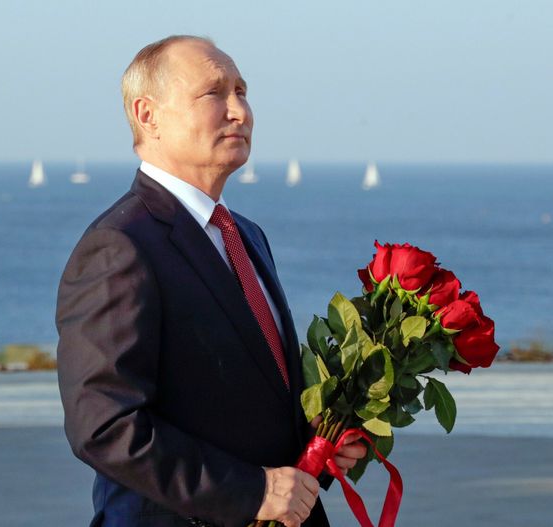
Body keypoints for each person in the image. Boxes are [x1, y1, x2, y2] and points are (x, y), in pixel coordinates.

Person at [56, 35, 366, 527]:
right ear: (147, 115)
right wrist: (252, 492)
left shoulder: (245, 234)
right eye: (214, 94)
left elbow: (241, 394)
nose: (240, 111)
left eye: (242, 91)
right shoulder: (119, 247)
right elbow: (105, 426)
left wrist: (320, 442)